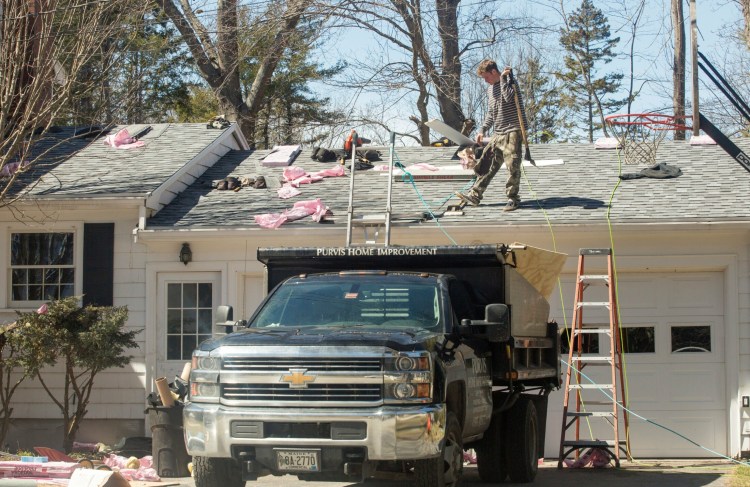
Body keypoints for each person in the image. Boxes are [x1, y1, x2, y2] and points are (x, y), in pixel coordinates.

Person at [456, 59, 529, 212]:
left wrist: (503, 79)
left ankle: (512, 198)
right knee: (486, 163)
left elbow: (509, 98)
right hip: (499, 132)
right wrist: (482, 129)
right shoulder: (490, 90)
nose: (485, 80)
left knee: (512, 165)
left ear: (494, 72)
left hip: (513, 130)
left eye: (486, 77)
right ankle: (475, 195)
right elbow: (491, 113)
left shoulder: (510, 83)